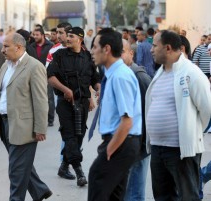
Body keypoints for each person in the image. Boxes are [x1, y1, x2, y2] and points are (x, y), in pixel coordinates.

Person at [146, 30, 211, 201]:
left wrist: (191, 132)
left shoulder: (192, 73)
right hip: (158, 149)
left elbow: (207, 110)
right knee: (162, 196)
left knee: (188, 197)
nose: (151, 50)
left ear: (167, 48)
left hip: (182, 151)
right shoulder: (160, 73)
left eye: (154, 45)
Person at [0, 33, 52, 201]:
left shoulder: (34, 67)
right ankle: (39, 191)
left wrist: (40, 128)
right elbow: (1, 94)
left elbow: (41, 100)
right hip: (5, 123)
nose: (2, 50)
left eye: (6, 46)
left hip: (24, 127)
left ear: (18, 48)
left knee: (16, 170)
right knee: (21, 164)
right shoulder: (5, 66)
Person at [88, 28, 142, 201]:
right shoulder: (114, 74)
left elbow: (127, 121)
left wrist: (110, 150)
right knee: (114, 195)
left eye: (95, 47)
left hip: (121, 142)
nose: (92, 51)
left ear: (107, 49)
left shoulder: (120, 76)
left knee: (97, 179)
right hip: (120, 142)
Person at [47, 27, 100, 187]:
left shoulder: (88, 58)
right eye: (67, 35)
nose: (67, 38)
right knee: (69, 134)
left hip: (82, 103)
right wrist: (65, 90)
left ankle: (64, 166)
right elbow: (50, 76)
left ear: (80, 39)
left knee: (79, 135)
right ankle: (79, 170)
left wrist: (97, 92)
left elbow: (95, 79)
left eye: (71, 36)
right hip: (65, 102)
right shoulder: (59, 55)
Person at [121, 39, 152, 201]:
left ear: (131, 54)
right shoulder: (119, 75)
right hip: (124, 145)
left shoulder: (139, 77)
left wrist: (141, 146)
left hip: (137, 147)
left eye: (121, 52)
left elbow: (149, 113)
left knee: (135, 192)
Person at [45, 22, 76, 180]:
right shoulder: (54, 51)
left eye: (61, 33)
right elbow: (49, 74)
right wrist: (65, 89)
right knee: (68, 130)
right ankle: (66, 163)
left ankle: (69, 161)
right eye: (57, 32)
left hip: (79, 98)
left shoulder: (79, 49)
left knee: (78, 132)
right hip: (62, 98)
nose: (58, 36)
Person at [29, 28, 54, 126]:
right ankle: (38, 118)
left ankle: (50, 118)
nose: (34, 36)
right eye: (33, 34)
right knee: (36, 97)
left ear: (43, 35)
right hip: (34, 75)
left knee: (49, 97)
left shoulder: (51, 46)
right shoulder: (30, 47)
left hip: (48, 75)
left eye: (37, 35)